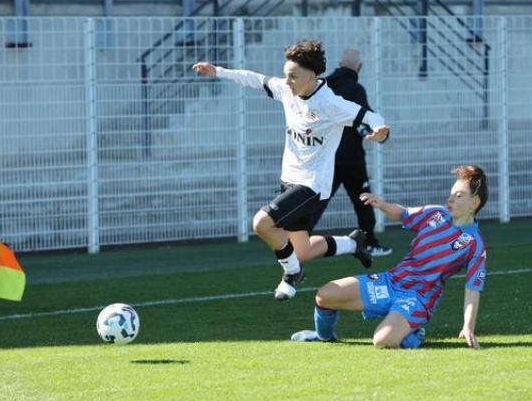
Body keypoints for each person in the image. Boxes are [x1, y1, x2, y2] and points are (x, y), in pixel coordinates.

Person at [193, 40, 390, 301]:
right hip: (289, 180)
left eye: (292, 77)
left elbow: (370, 116)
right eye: (286, 75)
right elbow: (253, 78)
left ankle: (292, 274)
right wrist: (218, 71)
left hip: (312, 185)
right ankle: (354, 243)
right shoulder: (289, 91)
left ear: (311, 76)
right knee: (303, 250)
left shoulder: (330, 103)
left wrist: (381, 132)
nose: (287, 82)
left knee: (262, 224)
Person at [291, 165, 488, 349]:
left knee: (381, 341)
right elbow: (403, 214)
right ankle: (324, 336)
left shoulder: (474, 243)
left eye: (459, 195)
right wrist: (380, 204)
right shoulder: (436, 213)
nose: (451, 199)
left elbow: (473, 289)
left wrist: (468, 326)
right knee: (324, 295)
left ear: (474, 203)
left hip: (418, 297)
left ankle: (414, 333)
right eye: (451, 194)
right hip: (392, 281)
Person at [314, 49, 392, 257]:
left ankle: (298, 239)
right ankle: (369, 242)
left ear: (339, 63)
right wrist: (373, 133)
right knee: (363, 201)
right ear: (359, 67)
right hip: (350, 158)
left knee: (318, 200)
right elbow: (363, 118)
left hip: (325, 156)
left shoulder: (323, 85)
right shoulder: (356, 89)